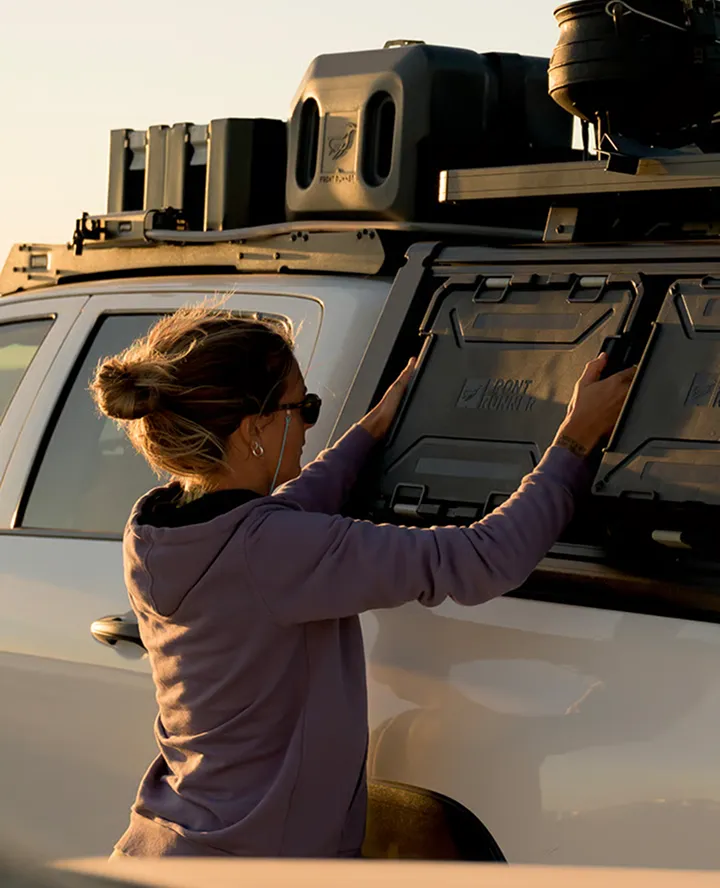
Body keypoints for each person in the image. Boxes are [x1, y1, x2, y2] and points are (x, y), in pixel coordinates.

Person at [92, 305, 634, 860]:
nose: (309, 423)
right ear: (254, 428)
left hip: (167, 848)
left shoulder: (157, 530)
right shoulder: (275, 551)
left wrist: (374, 428)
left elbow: (281, 520)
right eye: (302, 407)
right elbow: (486, 557)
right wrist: (573, 443)